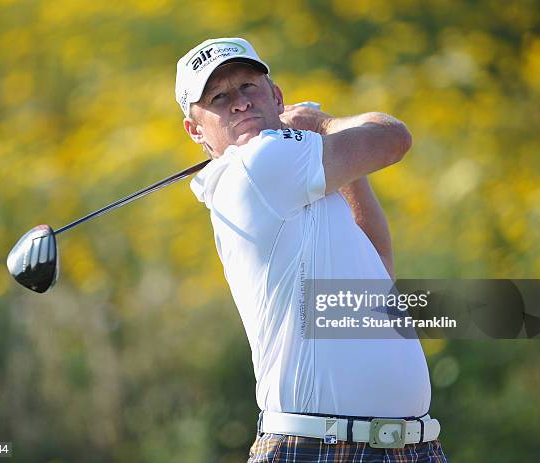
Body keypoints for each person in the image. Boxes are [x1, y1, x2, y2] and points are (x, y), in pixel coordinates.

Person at [175, 37, 448, 462]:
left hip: (409, 449)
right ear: (196, 130)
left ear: (275, 96)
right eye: (219, 97)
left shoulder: (298, 177)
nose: (240, 104)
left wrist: (343, 168)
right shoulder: (257, 165)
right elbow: (394, 137)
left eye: (249, 87)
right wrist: (319, 124)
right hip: (316, 447)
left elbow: (379, 266)